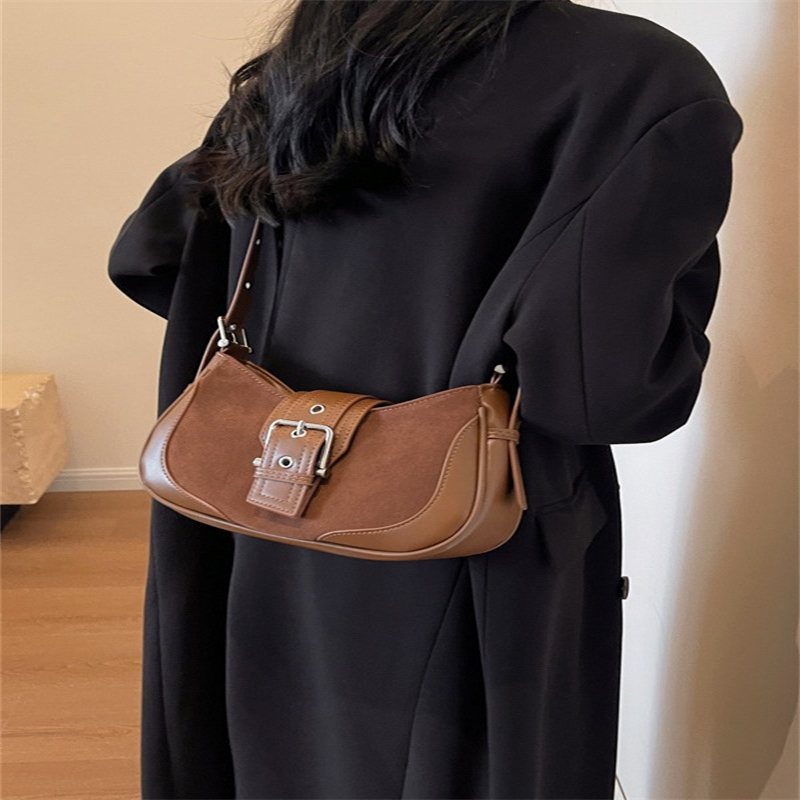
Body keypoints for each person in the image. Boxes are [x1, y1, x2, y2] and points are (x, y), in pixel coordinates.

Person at [107, 1, 744, 797]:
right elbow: (604, 392)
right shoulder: (635, 78)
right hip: (471, 545)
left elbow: (152, 257)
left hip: (254, 514)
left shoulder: (308, 64)